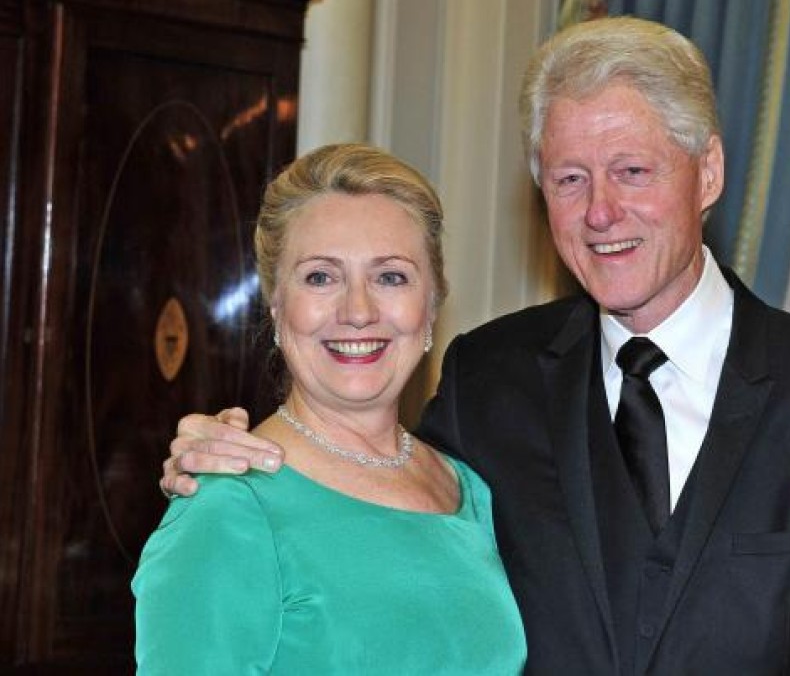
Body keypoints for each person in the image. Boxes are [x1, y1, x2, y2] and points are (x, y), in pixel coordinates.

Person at [161, 16, 790, 674]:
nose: (601, 212)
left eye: (633, 170)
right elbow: (361, 491)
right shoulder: (488, 379)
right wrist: (214, 454)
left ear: (708, 172)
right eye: (570, 179)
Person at [132, 143, 527, 674]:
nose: (358, 311)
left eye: (391, 277)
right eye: (321, 277)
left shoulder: (468, 489)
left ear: (431, 305)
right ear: (276, 305)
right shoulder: (228, 507)